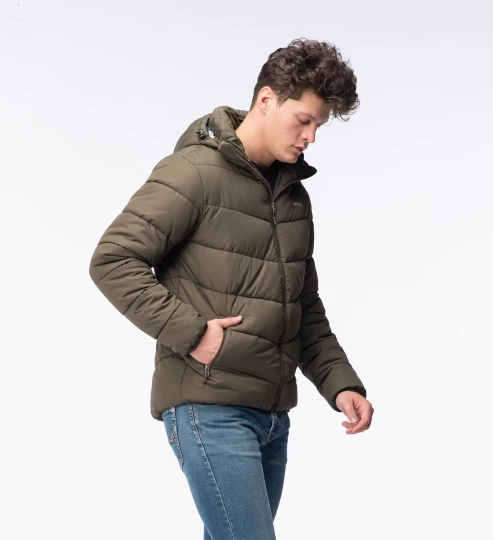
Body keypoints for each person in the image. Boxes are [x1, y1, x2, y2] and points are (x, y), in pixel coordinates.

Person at [88, 37, 374, 540]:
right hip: (209, 407)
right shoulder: (193, 173)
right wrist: (195, 333)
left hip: (272, 416)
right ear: (267, 100)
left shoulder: (292, 197)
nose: (310, 137)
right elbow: (113, 260)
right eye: (303, 120)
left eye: (319, 125)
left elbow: (302, 304)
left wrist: (340, 383)